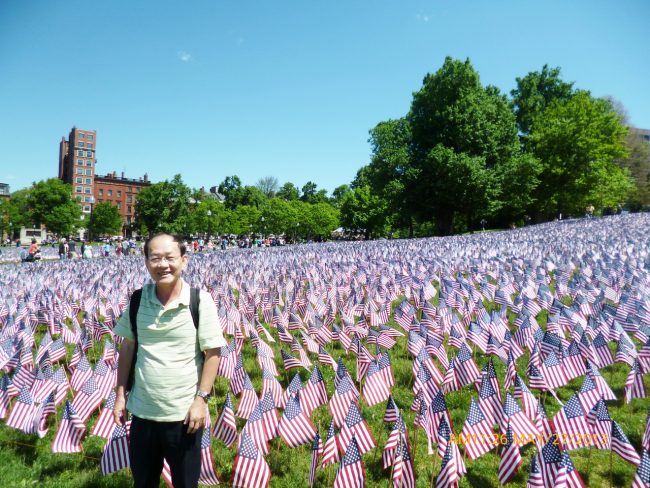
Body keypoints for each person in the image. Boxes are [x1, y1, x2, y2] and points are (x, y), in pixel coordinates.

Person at [112, 233, 225, 488]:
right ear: (146, 263)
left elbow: (213, 353)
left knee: (186, 484)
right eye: (155, 258)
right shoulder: (138, 299)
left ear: (183, 261)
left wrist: (201, 400)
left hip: (184, 415)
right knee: (143, 483)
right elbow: (127, 347)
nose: (163, 264)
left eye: (169, 258)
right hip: (143, 412)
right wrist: (120, 395)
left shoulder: (199, 301)